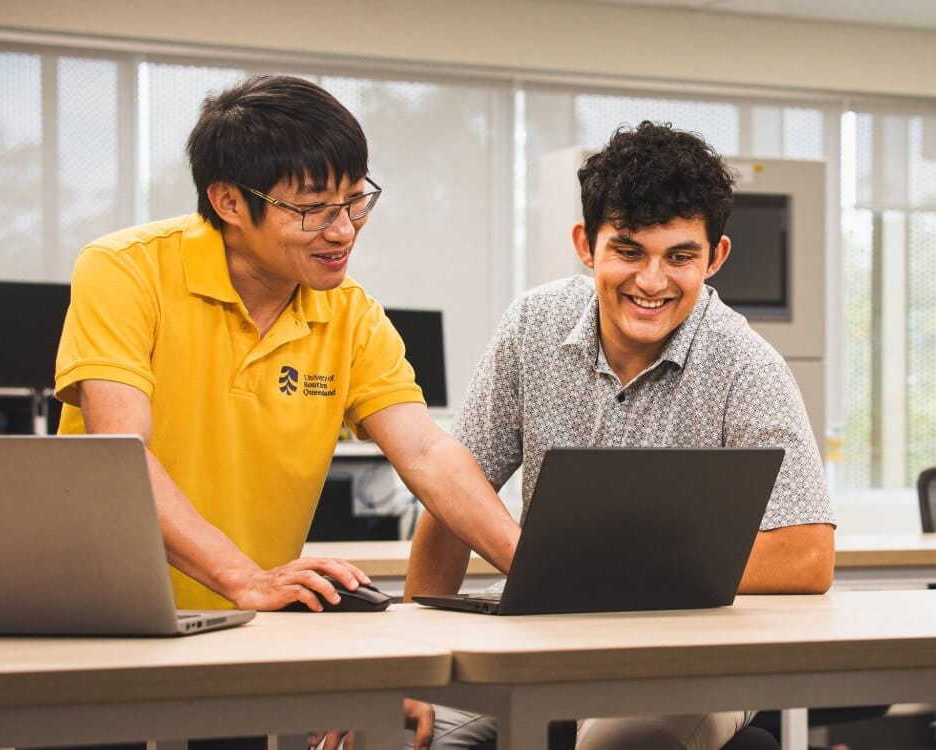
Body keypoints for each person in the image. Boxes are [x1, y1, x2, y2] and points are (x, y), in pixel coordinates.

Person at [404, 121, 837, 750]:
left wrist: (620, 571)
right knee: (394, 733)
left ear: (714, 258)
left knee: (622, 744)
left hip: (689, 660)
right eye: (629, 251)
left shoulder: (749, 365)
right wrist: (418, 669)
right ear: (587, 245)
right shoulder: (532, 327)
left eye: (680, 256)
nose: (652, 281)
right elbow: (450, 499)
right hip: (540, 636)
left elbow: (807, 555)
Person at [52, 73, 522, 641]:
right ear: (227, 201)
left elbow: (427, 453)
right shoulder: (124, 269)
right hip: (104, 621)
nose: (344, 230)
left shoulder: (350, 314)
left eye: (355, 202)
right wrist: (244, 577)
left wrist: (539, 573)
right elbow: (122, 450)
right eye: (313, 210)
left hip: (249, 629)